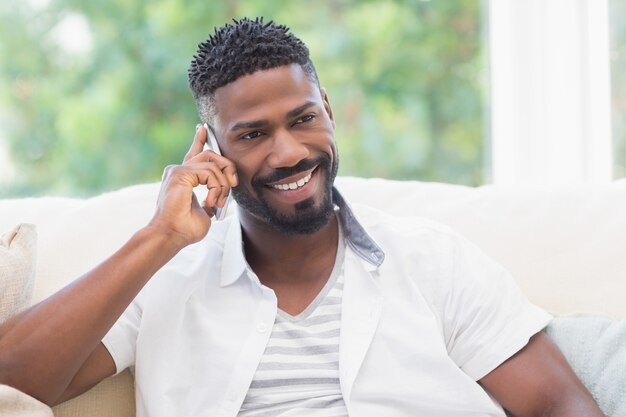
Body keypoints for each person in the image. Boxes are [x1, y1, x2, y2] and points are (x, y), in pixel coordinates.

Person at [0, 17, 603, 417]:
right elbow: (15, 383)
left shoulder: (433, 259)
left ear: (330, 114)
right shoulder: (164, 278)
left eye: (303, 119)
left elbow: (560, 406)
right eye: (254, 134)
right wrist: (158, 238)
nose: (289, 152)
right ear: (214, 151)